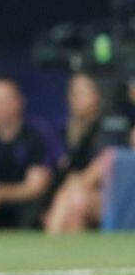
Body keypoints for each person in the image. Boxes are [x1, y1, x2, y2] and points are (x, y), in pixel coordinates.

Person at [0, 76, 52, 228]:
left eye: (5, 100)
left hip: (25, 208)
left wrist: (0, 193)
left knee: (33, 213)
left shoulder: (36, 135)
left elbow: (36, 186)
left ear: (19, 101)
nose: (0, 106)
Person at [45, 73, 107, 234]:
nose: (76, 99)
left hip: (108, 198)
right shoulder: (64, 131)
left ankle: (50, 242)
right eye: (73, 93)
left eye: (82, 93)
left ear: (97, 95)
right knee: (74, 212)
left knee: (74, 199)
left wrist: (76, 185)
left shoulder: (107, 129)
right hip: (73, 198)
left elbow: (101, 168)